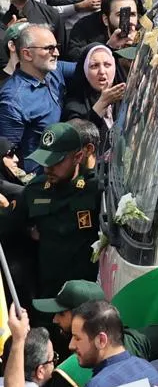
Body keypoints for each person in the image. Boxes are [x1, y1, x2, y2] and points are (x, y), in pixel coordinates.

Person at [0, 121, 101, 308]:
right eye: (44, 162)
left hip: (85, 298)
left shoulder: (94, 190)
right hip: (47, 296)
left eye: (56, 162)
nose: (47, 169)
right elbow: (6, 225)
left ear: (78, 156)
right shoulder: (35, 191)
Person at [0, 25, 76, 159]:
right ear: (27, 54)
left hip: (61, 166)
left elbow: (88, 67)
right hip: (37, 176)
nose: (57, 53)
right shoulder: (13, 100)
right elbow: (8, 156)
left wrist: (111, 49)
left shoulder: (54, 71)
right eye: (49, 48)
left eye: (56, 46)